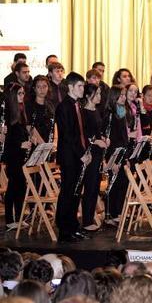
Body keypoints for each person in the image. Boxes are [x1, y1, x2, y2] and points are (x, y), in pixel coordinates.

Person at [55, 72, 92, 242]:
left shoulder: (78, 106)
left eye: (83, 86)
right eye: (80, 86)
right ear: (70, 87)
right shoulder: (63, 107)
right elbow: (68, 135)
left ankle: (73, 226)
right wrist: (81, 154)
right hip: (70, 157)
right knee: (68, 192)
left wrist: (88, 151)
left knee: (77, 192)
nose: (83, 89)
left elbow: (82, 133)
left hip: (79, 155)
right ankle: (64, 230)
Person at [80, 84, 110, 232]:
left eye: (99, 93)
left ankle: (90, 217)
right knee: (90, 187)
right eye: (96, 94)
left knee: (95, 187)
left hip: (98, 153)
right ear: (87, 96)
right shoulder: (83, 112)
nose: (99, 96)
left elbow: (97, 131)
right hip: (90, 154)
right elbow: (83, 135)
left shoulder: (96, 111)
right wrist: (95, 141)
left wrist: (103, 138)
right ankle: (86, 221)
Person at [103, 86, 130, 223]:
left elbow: (124, 136)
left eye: (125, 95)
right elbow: (110, 138)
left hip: (122, 152)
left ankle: (119, 211)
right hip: (114, 154)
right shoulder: (110, 114)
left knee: (123, 182)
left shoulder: (122, 112)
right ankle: (111, 213)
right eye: (121, 95)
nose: (124, 98)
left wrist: (125, 158)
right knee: (114, 183)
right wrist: (113, 160)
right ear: (114, 97)